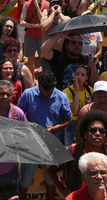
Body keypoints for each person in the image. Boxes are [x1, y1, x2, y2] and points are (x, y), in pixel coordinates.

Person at [47, 110, 107, 197]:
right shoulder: (71, 151)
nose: (97, 133)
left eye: (102, 131)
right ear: (85, 134)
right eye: (92, 130)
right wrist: (61, 188)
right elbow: (49, 168)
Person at [18, 70, 72, 200]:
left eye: (49, 91)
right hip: (32, 143)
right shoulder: (28, 94)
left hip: (52, 144)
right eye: (43, 90)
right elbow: (19, 115)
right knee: (26, 177)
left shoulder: (62, 96)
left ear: (55, 84)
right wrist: (31, 126)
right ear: (38, 84)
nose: (46, 93)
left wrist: (55, 128)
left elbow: (68, 120)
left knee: (51, 178)